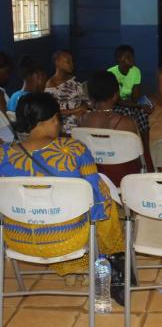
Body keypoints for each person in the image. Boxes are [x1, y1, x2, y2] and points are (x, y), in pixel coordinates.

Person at [0, 93, 127, 303]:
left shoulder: (3, 155)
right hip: (68, 240)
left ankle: (70, 269)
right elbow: (97, 205)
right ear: (52, 119)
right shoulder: (74, 150)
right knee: (102, 195)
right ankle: (88, 262)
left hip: (17, 240)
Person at [80, 70, 140, 186]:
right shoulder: (128, 123)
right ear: (115, 95)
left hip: (93, 174)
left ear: (90, 96)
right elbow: (137, 156)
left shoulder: (82, 120)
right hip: (123, 177)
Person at [107, 45, 154, 170]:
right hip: (115, 105)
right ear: (119, 59)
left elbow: (135, 97)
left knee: (143, 113)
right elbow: (116, 101)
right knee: (130, 112)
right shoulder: (111, 73)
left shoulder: (136, 71)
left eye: (132, 56)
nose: (132, 59)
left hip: (130, 102)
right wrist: (139, 105)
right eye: (127, 56)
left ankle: (146, 150)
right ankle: (131, 151)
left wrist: (142, 105)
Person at [45, 50, 88, 135]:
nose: (72, 64)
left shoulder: (74, 80)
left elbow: (85, 99)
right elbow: (52, 111)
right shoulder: (51, 84)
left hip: (81, 116)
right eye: (68, 62)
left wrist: (84, 108)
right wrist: (76, 110)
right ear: (57, 63)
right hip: (64, 124)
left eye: (72, 61)